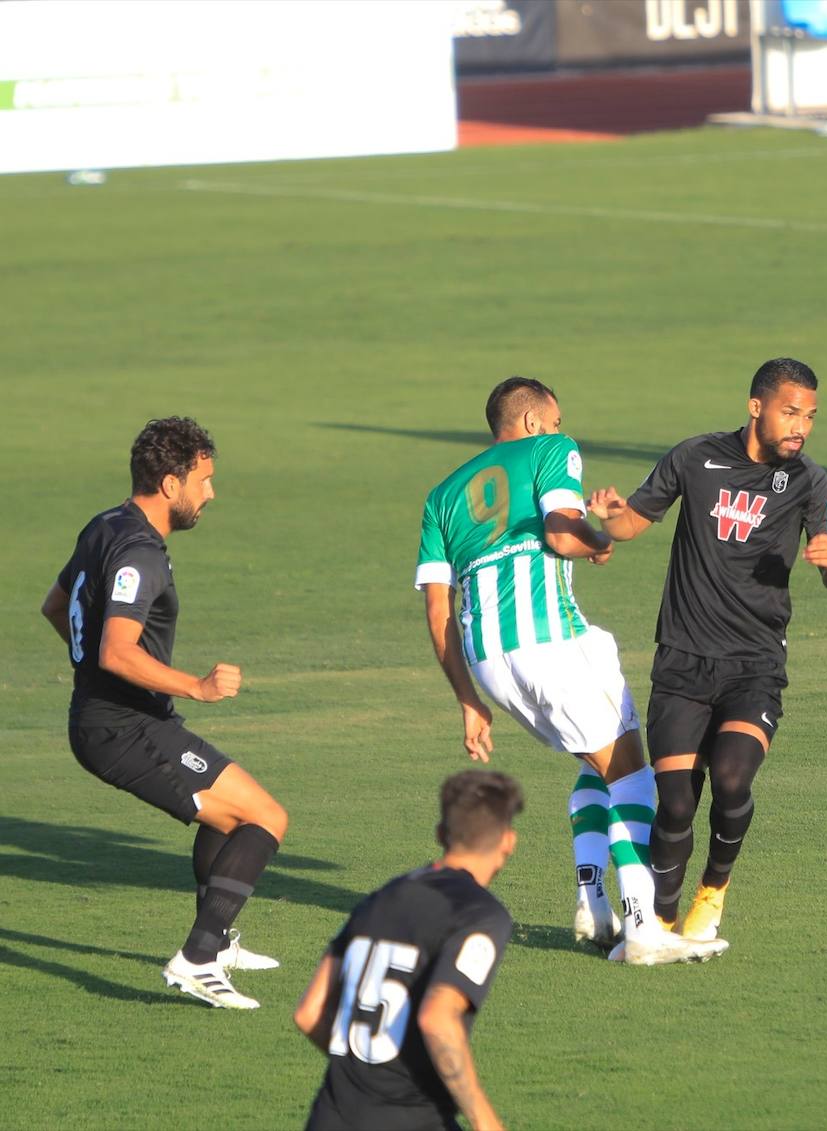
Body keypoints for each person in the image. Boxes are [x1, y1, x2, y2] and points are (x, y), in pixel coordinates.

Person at [414, 377, 727, 966]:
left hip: (490, 663)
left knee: (599, 760)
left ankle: (593, 901)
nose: (560, 430)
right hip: (553, 640)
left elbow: (437, 609)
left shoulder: (442, 495)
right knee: (635, 776)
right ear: (533, 423)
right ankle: (643, 930)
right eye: (555, 421)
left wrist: (467, 699)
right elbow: (561, 534)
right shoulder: (551, 451)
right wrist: (601, 535)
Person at [589, 357, 827, 944]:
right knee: (677, 804)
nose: (801, 427)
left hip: (754, 666)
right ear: (756, 407)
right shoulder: (695, 457)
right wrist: (607, 519)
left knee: (733, 777)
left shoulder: (809, 481)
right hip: (682, 662)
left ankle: (713, 889)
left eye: (810, 416)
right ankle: (658, 919)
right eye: (791, 412)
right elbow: (633, 522)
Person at [39, 417, 287, 1009]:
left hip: (117, 718)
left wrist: (96, 674)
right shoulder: (141, 553)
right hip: (122, 728)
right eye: (203, 480)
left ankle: (217, 940)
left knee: (225, 818)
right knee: (265, 820)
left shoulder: (105, 525)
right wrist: (195, 687)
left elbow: (55, 606)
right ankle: (197, 961)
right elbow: (116, 650)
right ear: (171, 484)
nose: (211, 493)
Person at [295, 770, 522, 1131]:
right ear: (508, 841)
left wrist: (365, 1071)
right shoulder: (481, 914)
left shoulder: (379, 898)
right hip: (411, 1118)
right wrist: (485, 1121)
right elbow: (438, 1018)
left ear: (440, 835)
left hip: (330, 1116)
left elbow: (309, 1013)